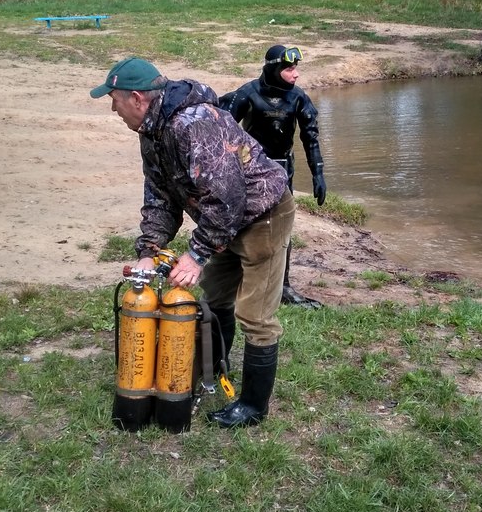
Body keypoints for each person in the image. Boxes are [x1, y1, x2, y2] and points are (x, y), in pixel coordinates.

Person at [91, 57, 295, 429]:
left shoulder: (193, 124)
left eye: (114, 99)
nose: (112, 107)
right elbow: (160, 197)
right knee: (215, 301)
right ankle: (215, 371)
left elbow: (228, 196)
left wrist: (197, 254)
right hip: (226, 217)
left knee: (256, 315)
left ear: (136, 98)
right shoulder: (151, 131)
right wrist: (149, 252)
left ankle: (252, 406)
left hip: (264, 213)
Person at [220, 44, 327, 309]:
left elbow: (310, 137)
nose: (296, 74)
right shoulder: (247, 94)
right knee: (244, 224)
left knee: (281, 230)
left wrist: (318, 174)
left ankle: (284, 286)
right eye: (289, 69)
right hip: (250, 171)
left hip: (282, 170)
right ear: (274, 69)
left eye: (296, 68)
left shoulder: (299, 98)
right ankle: (238, 279)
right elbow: (221, 132)